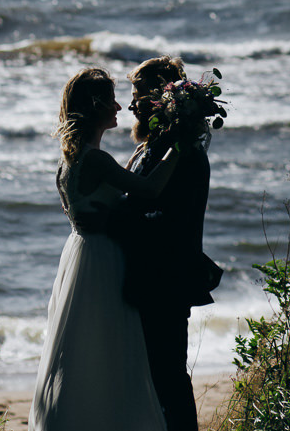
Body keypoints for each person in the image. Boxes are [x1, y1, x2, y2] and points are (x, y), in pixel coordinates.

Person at [29, 66, 179, 431]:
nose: (119, 107)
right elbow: (149, 189)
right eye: (112, 100)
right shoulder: (96, 160)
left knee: (82, 348)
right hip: (101, 261)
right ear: (96, 106)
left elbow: (107, 192)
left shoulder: (71, 160)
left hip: (78, 255)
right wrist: (179, 147)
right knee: (108, 347)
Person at [119, 55, 223, 431]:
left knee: (168, 377)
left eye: (137, 96)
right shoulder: (162, 146)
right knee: (160, 376)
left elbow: (169, 218)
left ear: (160, 99)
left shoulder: (179, 152)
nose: (131, 105)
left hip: (164, 279)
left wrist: (114, 220)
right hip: (157, 277)